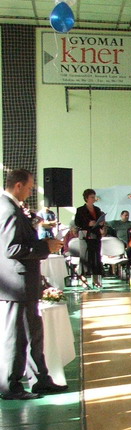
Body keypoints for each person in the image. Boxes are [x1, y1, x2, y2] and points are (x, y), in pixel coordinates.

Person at [0, 169, 66, 400]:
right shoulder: (7, 209)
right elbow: (11, 249)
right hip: (15, 285)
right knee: (16, 337)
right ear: (18, 185)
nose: (30, 192)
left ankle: (40, 379)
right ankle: (10, 386)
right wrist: (44, 247)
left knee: (33, 335)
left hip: (25, 285)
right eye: (29, 188)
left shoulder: (13, 208)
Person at [74, 188, 105, 288]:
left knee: (96, 257)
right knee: (85, 257)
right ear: (86, 198)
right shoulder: (80, 210)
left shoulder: (97, 209)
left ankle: (95, 280)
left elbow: (100, 221)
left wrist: (101, 223)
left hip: (95, 235)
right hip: (85, 236)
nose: (94, 199)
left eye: (94, 197)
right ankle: (83, 279)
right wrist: (88, 223)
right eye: (92, 197)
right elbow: (77, 223)